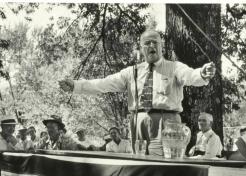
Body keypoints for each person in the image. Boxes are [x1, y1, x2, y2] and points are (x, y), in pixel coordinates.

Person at [59, 29, 216, 156]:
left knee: (163, 165)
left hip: (166, 122)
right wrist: (75, 85)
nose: (152, 45)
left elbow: (191, 76)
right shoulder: (131, 72)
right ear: (142, 49)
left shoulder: (174, 67)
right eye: (147, 43)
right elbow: (103, 83)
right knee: (140, 163)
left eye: (156, 42)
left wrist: (202, 73)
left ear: (162, 47)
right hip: (137, 121)